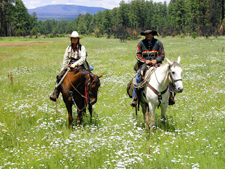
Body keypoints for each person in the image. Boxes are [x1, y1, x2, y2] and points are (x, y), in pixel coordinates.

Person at [49, 31, 89, 102]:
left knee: (89, 78)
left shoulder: (82, 48)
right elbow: (65, 59)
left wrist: (75, 64)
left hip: (81, 64)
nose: (74, 40)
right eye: (73, 38)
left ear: (78, 39)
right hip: (70, 65)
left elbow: (83, 59)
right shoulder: (69, 48)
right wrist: (63, 69)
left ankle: (89, 95)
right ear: (71, 39)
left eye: (75, 38)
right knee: (59, 77)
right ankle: (55, 93)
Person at [130, 30, 165, 107]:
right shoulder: (140, 44)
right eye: (146, 34)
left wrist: (156, 60)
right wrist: (145, 61)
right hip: (144, 65)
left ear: (152, 34)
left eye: (149, 34)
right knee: (138, 78)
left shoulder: (158, 43)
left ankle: (171, 97)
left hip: (156, 64)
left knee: (167, 76)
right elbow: (138, 55)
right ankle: (135, 98)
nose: (148, 35)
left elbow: (162, 55)